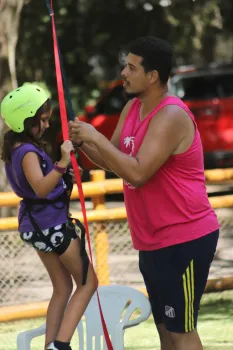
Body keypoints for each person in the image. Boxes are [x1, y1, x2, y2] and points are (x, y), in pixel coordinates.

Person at [69, 36, 220, 350]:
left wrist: (96, 137)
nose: (123, 72)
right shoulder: (132, 107)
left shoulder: (170, 116)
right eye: (126, 65)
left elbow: (138, 171)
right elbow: (113, 160)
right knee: (165, 331)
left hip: (184, 239)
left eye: (131, 67)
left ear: (152, 76)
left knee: (181, 332)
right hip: (151, 240)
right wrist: (86, 144)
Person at [0, 84, 97, 350]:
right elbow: (42, 189)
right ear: (25, 120)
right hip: (50, 225)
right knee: (88, 283)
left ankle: (50, 347)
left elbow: (45, 185)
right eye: (41, 120)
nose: (46, 124)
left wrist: (63, 174)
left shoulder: (16, 149)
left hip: (38, 227)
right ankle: (60, 345)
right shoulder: (27, 152)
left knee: (63, 288)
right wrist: (62, 162)